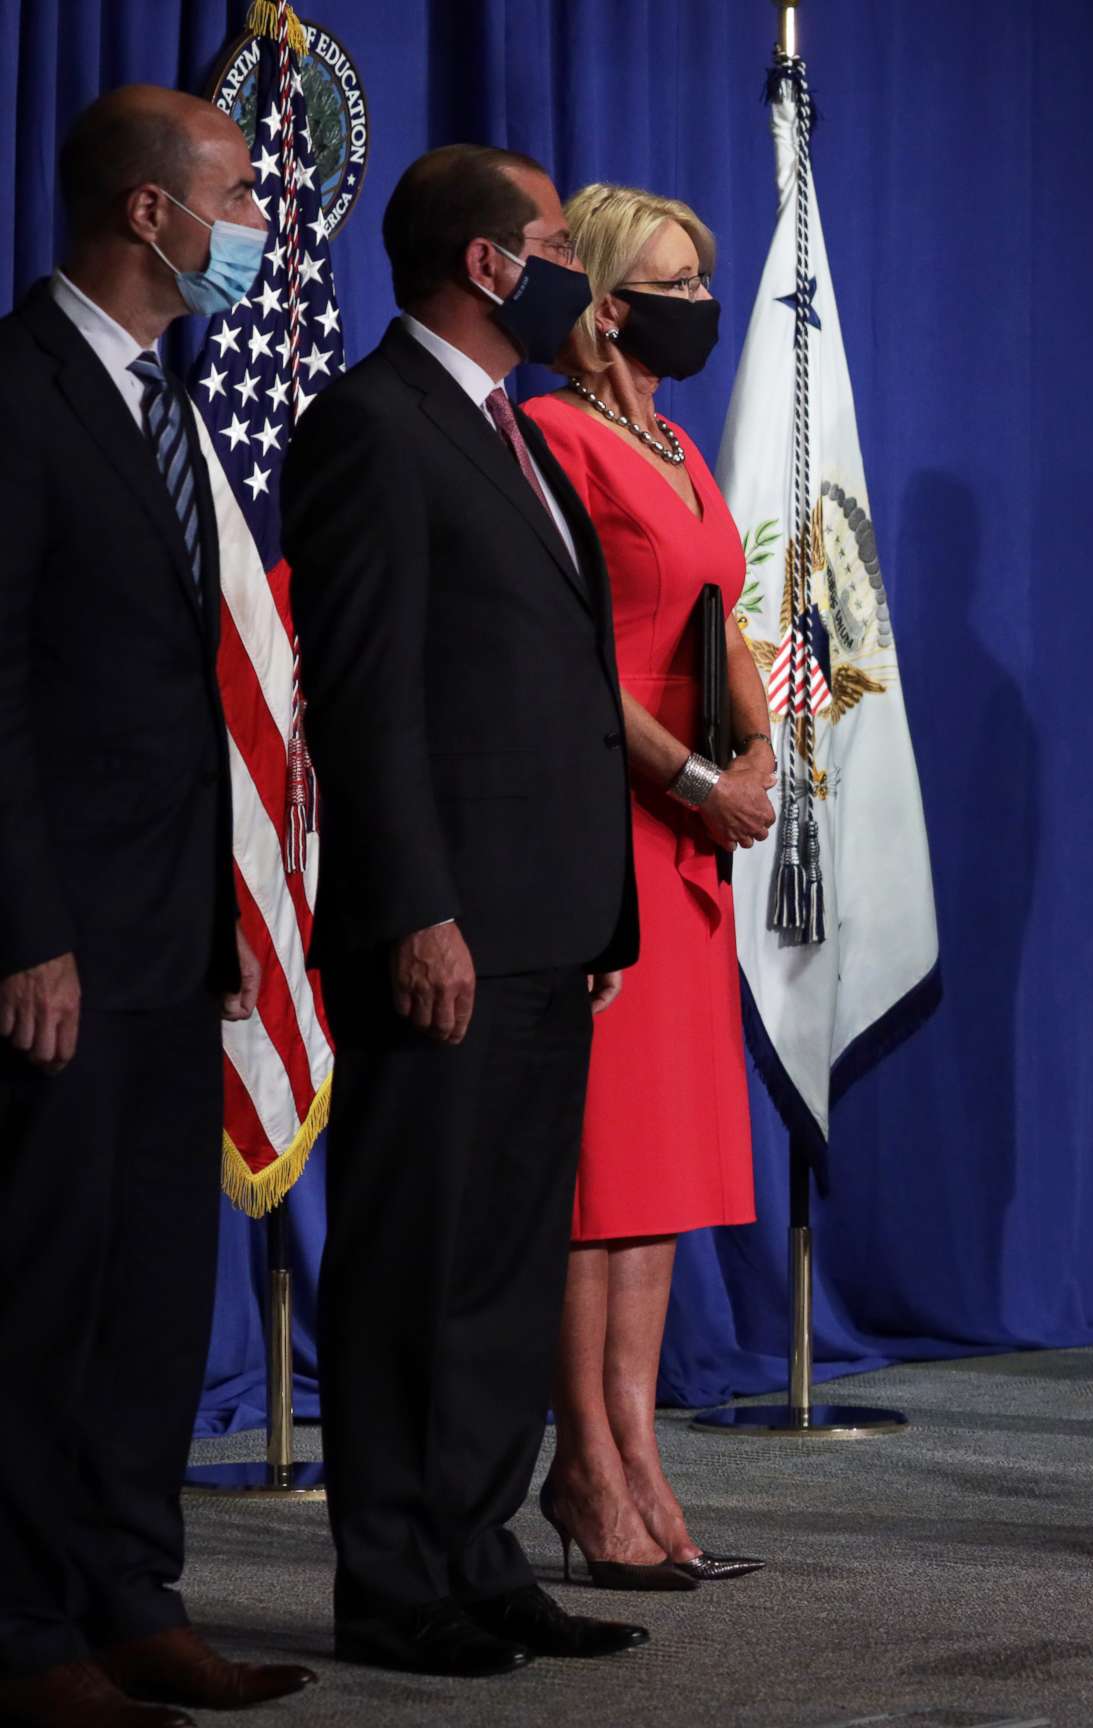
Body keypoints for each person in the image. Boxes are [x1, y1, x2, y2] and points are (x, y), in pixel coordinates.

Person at [284, 143, 647, 1677]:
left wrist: (594, 917)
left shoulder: (522, 434)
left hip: (546, 926)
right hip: (443, 932)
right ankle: (393, 1579)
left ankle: (477, 1548)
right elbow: (366, 702)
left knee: (501, 1260)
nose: (577, 265)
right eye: (557, 240)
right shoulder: (372, 425)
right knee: (414, 1257)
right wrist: (416, 909)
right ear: (491, 265)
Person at [0, 85, 315, 1728]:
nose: (258, 221)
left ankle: (135, 1596)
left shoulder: (170, 398)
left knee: (147, 1294)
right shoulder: (19, 386)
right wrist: (24, 923)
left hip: (175, 938)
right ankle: (24, 1625)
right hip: (59, 947)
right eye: (242, 191)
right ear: (148, 213)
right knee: (43, 1297)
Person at [522, 183, 774, 1588]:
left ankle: (641, 1460)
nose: (697, 304)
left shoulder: (672, 440)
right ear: (607, 300)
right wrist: (693, 777)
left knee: (660, 1181)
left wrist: (762, 740)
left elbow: (712, 613)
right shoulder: (555, 438)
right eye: (673, 280)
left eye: (703, 278)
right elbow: (571, 652)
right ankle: (586, 1469)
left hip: (694, 849)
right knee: (597, 1180)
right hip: (607, 831)